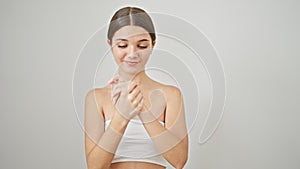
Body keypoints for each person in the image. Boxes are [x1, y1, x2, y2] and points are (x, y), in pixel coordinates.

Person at [84, 6, 188, 169]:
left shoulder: (171, 95)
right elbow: (94, 167)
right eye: (123, 45)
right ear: (110, 44)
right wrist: (122, 115)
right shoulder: (96, 98)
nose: (132, 53)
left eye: (142, 45)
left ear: (153, 44)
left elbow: (179, 160)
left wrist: (140, 106)